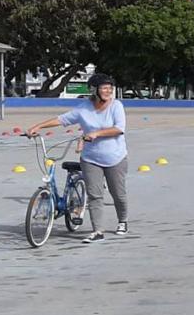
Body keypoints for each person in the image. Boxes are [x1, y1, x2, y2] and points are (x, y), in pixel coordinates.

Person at [28, 73, 129, 243]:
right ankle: (98, 231)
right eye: (104, 88)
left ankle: (123, 220)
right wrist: (37, 126)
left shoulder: (116, 106)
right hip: (90, 159)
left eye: (110, 88)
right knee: (94, 195)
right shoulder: (83, 108)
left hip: (115, 158)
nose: (108, 91)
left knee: (117, 193)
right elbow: (62, 119)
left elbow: (119, 128)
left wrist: (96, 133)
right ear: (94, 90)